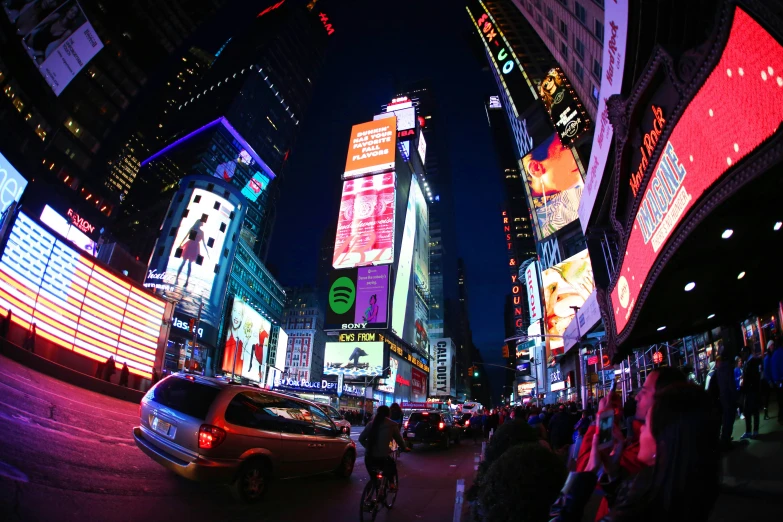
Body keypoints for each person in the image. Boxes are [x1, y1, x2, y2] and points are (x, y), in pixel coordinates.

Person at [549, 383, 720, 521]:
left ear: (665, 440)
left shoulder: (643, 498)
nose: (636, 396)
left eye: (646, 422)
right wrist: (614, 476)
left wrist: (589, 471)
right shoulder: (676, 488)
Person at [575, 367, 686, 520]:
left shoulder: (645, 458)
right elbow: (621, 498)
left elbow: (585, 473)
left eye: (645, 391)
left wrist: (599, 423)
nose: (637, 397)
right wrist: (613, 475)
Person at [358, 405, 408, 490]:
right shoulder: (392, 425)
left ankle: (371, 494)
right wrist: (404, 448)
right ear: (389, 414)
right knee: (391, 466)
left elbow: (361, 439)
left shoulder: (371, 424)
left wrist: (369, 447)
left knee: (374, 479)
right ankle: (392, 484)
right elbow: (399, 440)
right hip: (382, 458)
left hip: (369, 458)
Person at [175, 220, 209, 288]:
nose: (203, 223)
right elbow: (186, 236)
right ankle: (177, 278)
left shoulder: (202, 232)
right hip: (189, 245)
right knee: (184, 262)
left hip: (194, 247)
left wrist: (207, 251)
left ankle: (186, 281)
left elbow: (203, 242)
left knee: (189, 264)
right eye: (201, 222)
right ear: (199, 223)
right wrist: (180, 244)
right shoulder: (194, 229)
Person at [740, 346, 763, 439]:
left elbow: (753, 377)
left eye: (743, 353)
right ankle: (749, 431)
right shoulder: (748, 362)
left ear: (747, 353)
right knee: (748, 411)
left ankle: (755, 431)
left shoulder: (752, 362)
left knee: (753, 410)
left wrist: (744, 382)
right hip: (749, 390)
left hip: (752, 390)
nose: (742, 356)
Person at [769, 338, 783, 424]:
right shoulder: (780, 353)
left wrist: (775, 380)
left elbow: (773, 369)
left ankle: (780, 417)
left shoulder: (774, 355)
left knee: (780, 401)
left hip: (778, 381)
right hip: (781, 380)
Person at [762, 341, 775, 420]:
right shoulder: (767, 358)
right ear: (769, 347)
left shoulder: (769, 357)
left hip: (770, 379)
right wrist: (769, 381)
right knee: (766, 398)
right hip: (767, 381)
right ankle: (765, 414)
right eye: (772, 346)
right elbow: (766, 371)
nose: (773, 347)